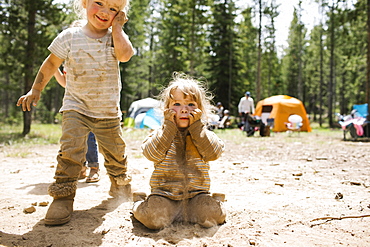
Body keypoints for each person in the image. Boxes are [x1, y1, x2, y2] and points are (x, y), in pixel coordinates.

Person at [17, 0, 134, 226]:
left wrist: (117, 28)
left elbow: (125, 55)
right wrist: (36, 88)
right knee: (70, 149)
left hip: (107, 110)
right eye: (98, 3)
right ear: (84, 3)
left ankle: (120, 185)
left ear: (119, 15)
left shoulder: (114, 37)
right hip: (76, 106)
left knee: (115, 152)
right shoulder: (69, 36)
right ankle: (63, 196)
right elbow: (51, 63)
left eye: (113, 9)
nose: (104, 11)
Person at [132, 73, 226, 230]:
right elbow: (151, 153)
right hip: (164, 196)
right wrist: (169, 128)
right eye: (176, 104)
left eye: (190, 105)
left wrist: (197, 129)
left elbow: (213, 153)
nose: (184, 110)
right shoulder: (161, 133)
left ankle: (217, 202)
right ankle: (139, 202)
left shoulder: (204, 134)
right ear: (166, 109)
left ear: (201, 110)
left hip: (196, 196)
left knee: (213, 216)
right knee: (153, 219)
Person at [54, 68, 100, 183]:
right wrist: (54, 67)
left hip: (90, 104)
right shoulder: (67, 60)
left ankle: (94, 167)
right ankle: (81, 167)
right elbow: (65, 83)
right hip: (73, 105)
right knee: (75, 138)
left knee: (89, 137)